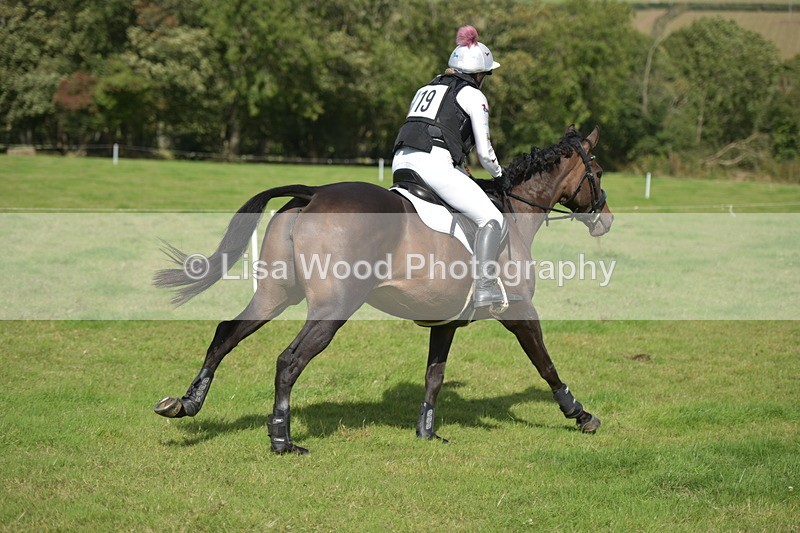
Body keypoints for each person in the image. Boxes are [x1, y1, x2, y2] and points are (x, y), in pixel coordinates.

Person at [392, 25, 513, 309]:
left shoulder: (427, 87)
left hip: (401, 162)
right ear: (478, 74)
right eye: (486, 75)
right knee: (492, 219)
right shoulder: (473, 95)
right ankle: (484, 289)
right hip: (433, 164)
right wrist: (500, 175)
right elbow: (485, 153)